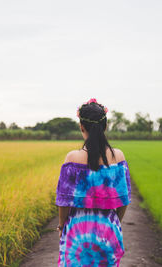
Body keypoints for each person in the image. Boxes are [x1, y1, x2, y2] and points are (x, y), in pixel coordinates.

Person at [55, 98, 132, 266]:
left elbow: (63, 201)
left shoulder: (72, 158)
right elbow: (124, 199)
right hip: (108, 228)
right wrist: (115, 222)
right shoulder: (118, 156)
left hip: (77, 230)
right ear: (105, 127)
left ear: (81, 127)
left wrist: (62, 226)